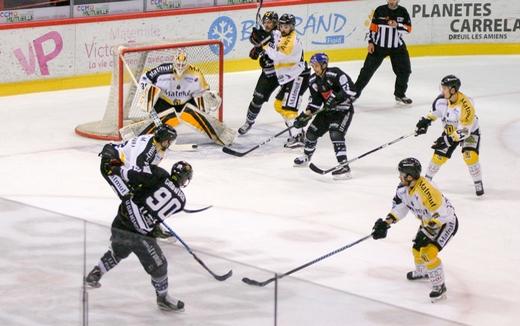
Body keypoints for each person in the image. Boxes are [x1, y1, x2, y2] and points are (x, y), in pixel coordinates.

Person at [85, 161, 194, 311]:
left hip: (121, 221)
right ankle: (163, 299)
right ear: (185, 179)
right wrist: (154, 227)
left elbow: (135, 176)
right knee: (160, 267)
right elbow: (155, 215)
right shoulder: (182, 201)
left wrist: (117, 170)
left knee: (118, 252)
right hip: (140, 235)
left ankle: (96, 273)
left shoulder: (160, 173)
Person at [371, 158, 458, 302]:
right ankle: (423, 272)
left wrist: (427, 232)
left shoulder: (427, 189)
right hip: (428, 221)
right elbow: (400, 207)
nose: (399, 176)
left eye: (402, 173)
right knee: (416, 249)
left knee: (427, 252)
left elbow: (441, 214)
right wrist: (386, 223)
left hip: (445, 222)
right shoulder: (403, 189)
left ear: (410, 176)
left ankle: (439, 287)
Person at [135, 49, 235, 146]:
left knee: (200, 107)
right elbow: (145, 78)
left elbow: (204, 91)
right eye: (178, 64)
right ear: (174, 61)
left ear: (187, 63)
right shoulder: (162, 70)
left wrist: (209, 98)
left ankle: (221, 135)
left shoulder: (196, 74)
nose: (180, 67)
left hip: (185, 104)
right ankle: (139, 136)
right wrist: (145, 92)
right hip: (164, 104)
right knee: (151, 91)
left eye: (183, 64)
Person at [415, 75, 484, 196]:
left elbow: (465, 131)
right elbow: (436, 112)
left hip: (469, 132)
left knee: (470, 156)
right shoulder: (441, 100)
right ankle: (427, 181)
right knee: (438, 157)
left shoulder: (467, 106)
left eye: (445, 88)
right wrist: (426, 121)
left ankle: (478, 182)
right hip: (450, 130)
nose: (442, 91)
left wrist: (448, 140)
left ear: (453, 90)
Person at [292, 53, 357, 180]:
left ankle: (344, 166)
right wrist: (304, 116)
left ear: (324, 65)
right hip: (327, 112)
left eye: (316, 66)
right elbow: (315, 102)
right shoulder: (312, 80)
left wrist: (336, 99)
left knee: (336, 134)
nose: (314, 68)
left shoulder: (336, 74)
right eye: (313, 66)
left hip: (343, 111)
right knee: (311, 132)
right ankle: (307, 156)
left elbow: (351, 90)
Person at [259, 13, 311, 148]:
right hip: (290, 77)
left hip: (298, 76)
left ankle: (298, 136)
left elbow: (277, 55)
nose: (283, 28)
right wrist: (262, 34)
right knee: (278, 104)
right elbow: (274, 35)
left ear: (292, 27)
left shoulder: (291, 41)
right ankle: (296, 129)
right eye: (281, 25)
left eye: (286, 26)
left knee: (289, 108)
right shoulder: (282, 34)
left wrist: (264, 44)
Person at [354, 0, 413, 104]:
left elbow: (409, 29)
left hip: (397, 47)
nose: (391, 1)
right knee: (366, 72)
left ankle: (400, 94)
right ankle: (353, 94)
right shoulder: (380, 10)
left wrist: (397, 25)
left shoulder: (403, 11)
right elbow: (373, 27)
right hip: (378, 47)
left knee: (405, 71)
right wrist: (371, 42)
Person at [99, 124, 177, 200]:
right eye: (169, 141)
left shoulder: (156, 144)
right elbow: (134, 174)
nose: (169, 144)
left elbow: (148, 170)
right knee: (130, 199)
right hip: (111, 164)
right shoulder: (145, 151)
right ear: (163, 139)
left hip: (123, 163)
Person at [238, 11, 280, 135]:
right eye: (265, 22)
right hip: (268, 75)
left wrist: (261, 41)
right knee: (257, 99)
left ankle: (296, 131)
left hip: (283, 74)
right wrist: (256, 46)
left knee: (286, 103)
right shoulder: (264, 35)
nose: (267, 25)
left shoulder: (279, 35)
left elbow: (274, 46)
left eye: (270, 22)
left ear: (276, 23)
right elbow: (257, 50)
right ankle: (249, 122)